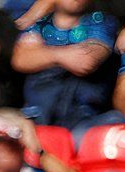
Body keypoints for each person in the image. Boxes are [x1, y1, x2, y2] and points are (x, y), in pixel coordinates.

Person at [14, 0, 119, 136]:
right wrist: (61, 56)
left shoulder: (101, 22)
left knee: (116, 122)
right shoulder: (38, 24)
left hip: (82, 123)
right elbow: (20, 59)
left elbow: (86, 61)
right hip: (36, 119)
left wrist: (42, 53)